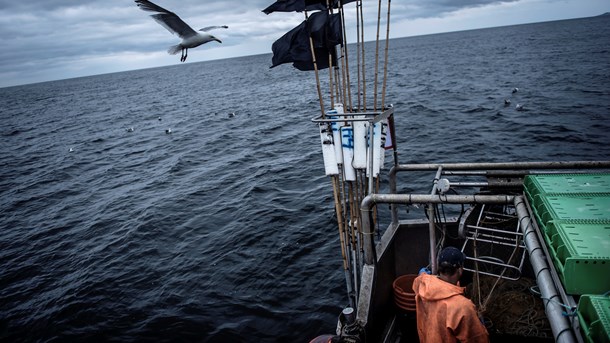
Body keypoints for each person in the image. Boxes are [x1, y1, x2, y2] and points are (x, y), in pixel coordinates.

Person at [412, 246, 489, 343]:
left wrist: (423, 274)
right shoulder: (463, 307)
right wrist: (479, 323)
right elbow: (478, 339)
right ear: (460, 270)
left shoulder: (423, 283)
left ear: (439, 268)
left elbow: (419, 280)